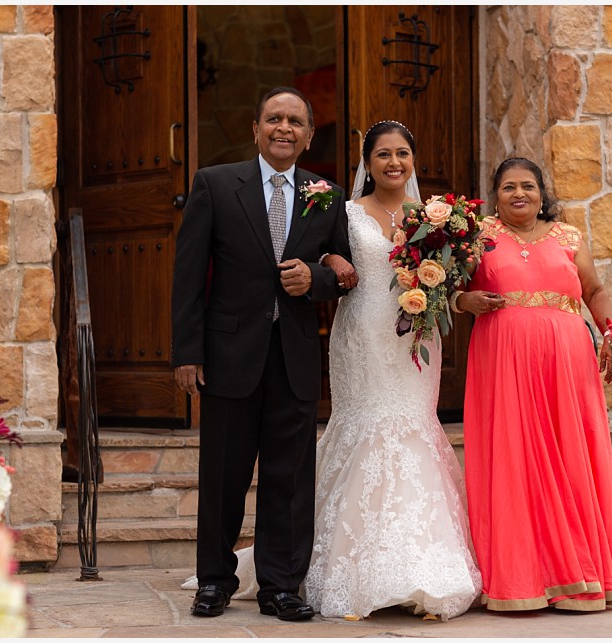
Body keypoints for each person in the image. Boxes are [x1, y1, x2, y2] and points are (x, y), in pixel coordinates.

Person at [184, 121, 482, 620]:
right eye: (383, 154)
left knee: (411, 431)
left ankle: (419, 563)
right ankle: (321, 568)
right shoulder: (339, 206)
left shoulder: (437, 218)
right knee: (359, 429)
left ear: (413, 160)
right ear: (367, 161)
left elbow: (450, 275)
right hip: (361, 334)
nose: (394, 162)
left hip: (413, 337)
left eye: (402, 153)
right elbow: (317, 246)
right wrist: (330, 259)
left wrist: (457, 295)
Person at [171, 86, 355, 621]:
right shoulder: (215, 184)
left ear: (308, 135)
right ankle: (214, 580)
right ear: (256, 129)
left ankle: (281, 585)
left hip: (293, 356)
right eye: (274, 118)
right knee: (224, 474)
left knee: (290, 477)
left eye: (295, 121)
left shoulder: (327, 193)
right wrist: (188, 351)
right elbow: (189, 278)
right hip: (229, 353)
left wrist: (315, 278)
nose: (284, 129)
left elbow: (342, 274)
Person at [455, 157, 612, 612]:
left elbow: (593, 290)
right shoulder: (476, 237)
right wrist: (463, 299)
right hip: (502, 361)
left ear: (541, 193)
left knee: (572, 456)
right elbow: (446, 290)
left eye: (528, 186)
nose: (520, 194)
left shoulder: (569, 237)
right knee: (512, 458)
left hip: (567, 365)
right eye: (509, 186)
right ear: (495, 194)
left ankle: (580, 575)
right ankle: (520, 580)